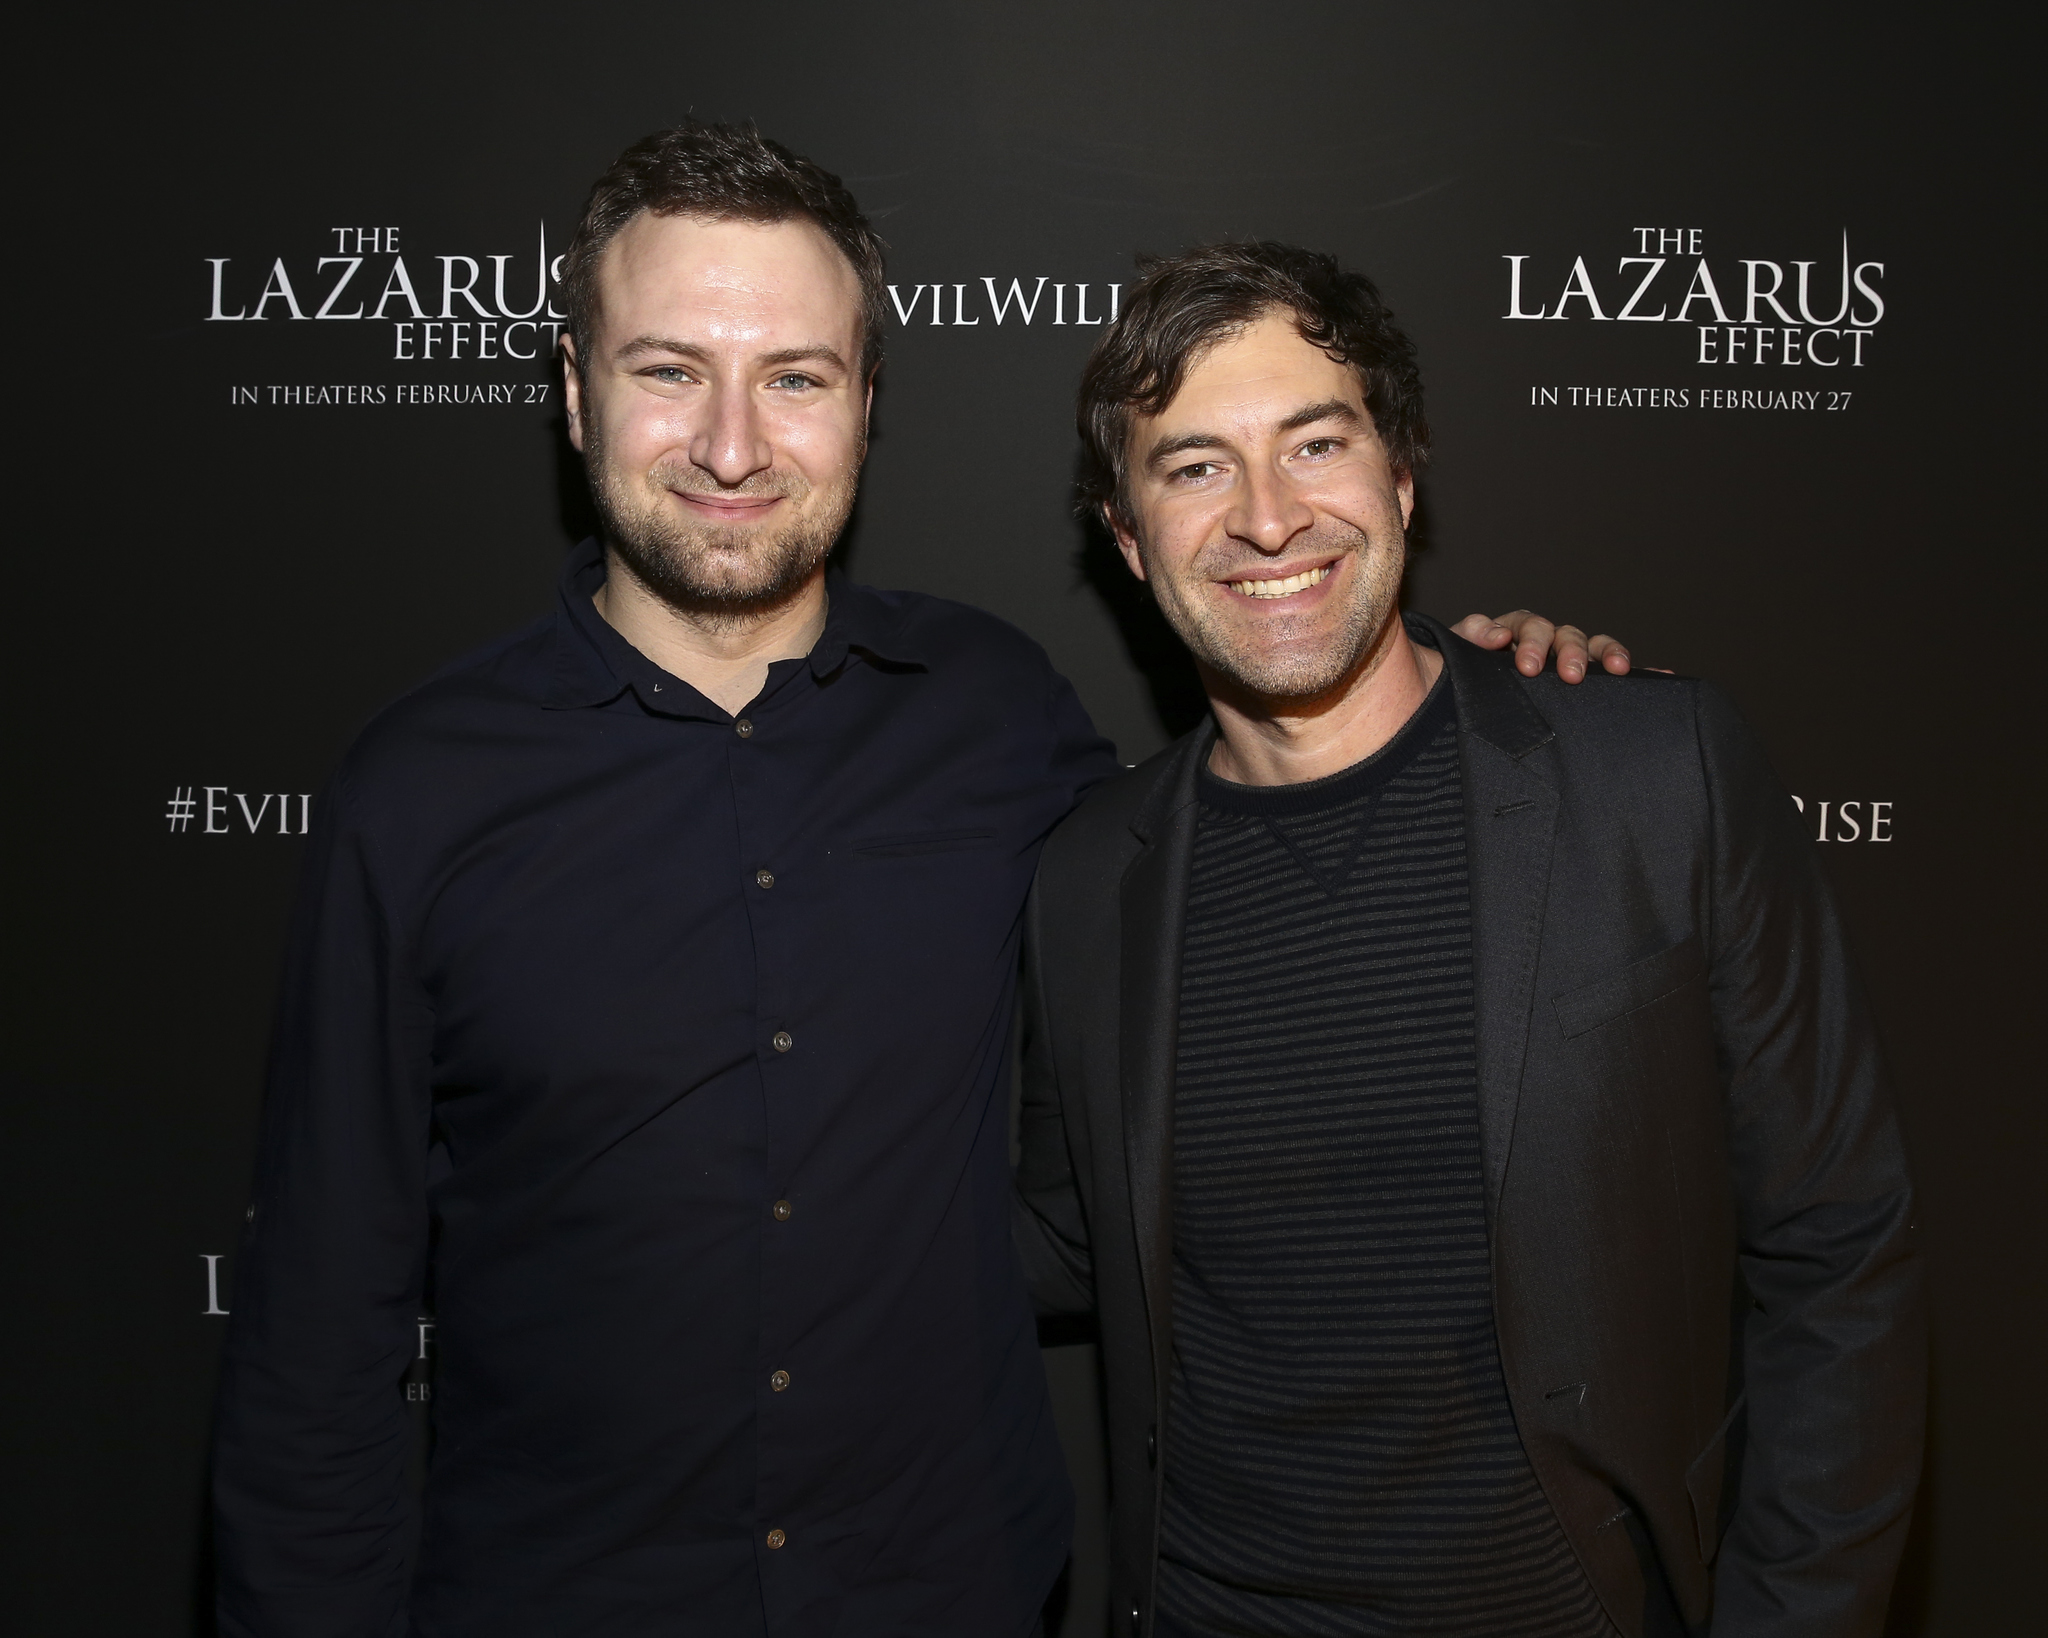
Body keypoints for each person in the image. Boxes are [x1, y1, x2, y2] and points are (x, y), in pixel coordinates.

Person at [210, 121, 1628, 1638]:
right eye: (669, 369)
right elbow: (319, 1337)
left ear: (868, 404)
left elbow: (1262, 855)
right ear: (573, 391)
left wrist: (1464, 682)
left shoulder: (1003, 716)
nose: (735, 444)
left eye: (796, 378)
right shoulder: (418, 786)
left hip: (949, 1592)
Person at [1013, 241, 1924, 1638]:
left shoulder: (1650, 773)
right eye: (1196, 466)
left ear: (1402, 475)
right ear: (1130, 541)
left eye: (1316, 442)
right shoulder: (1086, 879)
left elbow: (1838, 1249)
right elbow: (1041, 1233)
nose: (1268, 517)